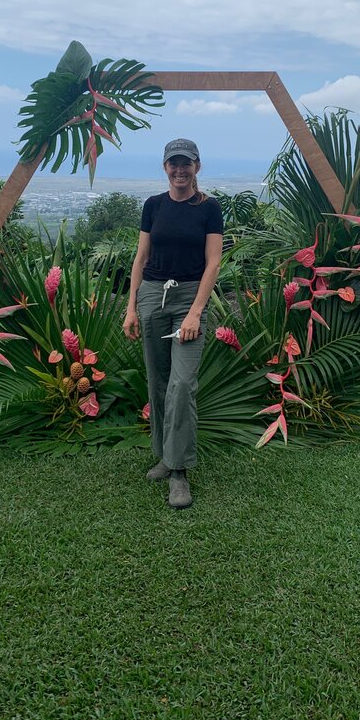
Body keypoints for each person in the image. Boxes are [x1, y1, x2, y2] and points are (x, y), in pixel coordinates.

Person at [123, 139, 223, 509]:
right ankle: (165, 456)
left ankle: (179, 471)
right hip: (152, 295)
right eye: (173, 164)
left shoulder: (209, 208)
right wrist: (131, 307)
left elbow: (213, 263)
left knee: (182, 383)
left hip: (189, 299)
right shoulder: (153, 205)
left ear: (197, 166)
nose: (179, 170)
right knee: (159, 380)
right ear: (165, 167)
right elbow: (140, 258)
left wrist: (196, 311)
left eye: (186, 163)